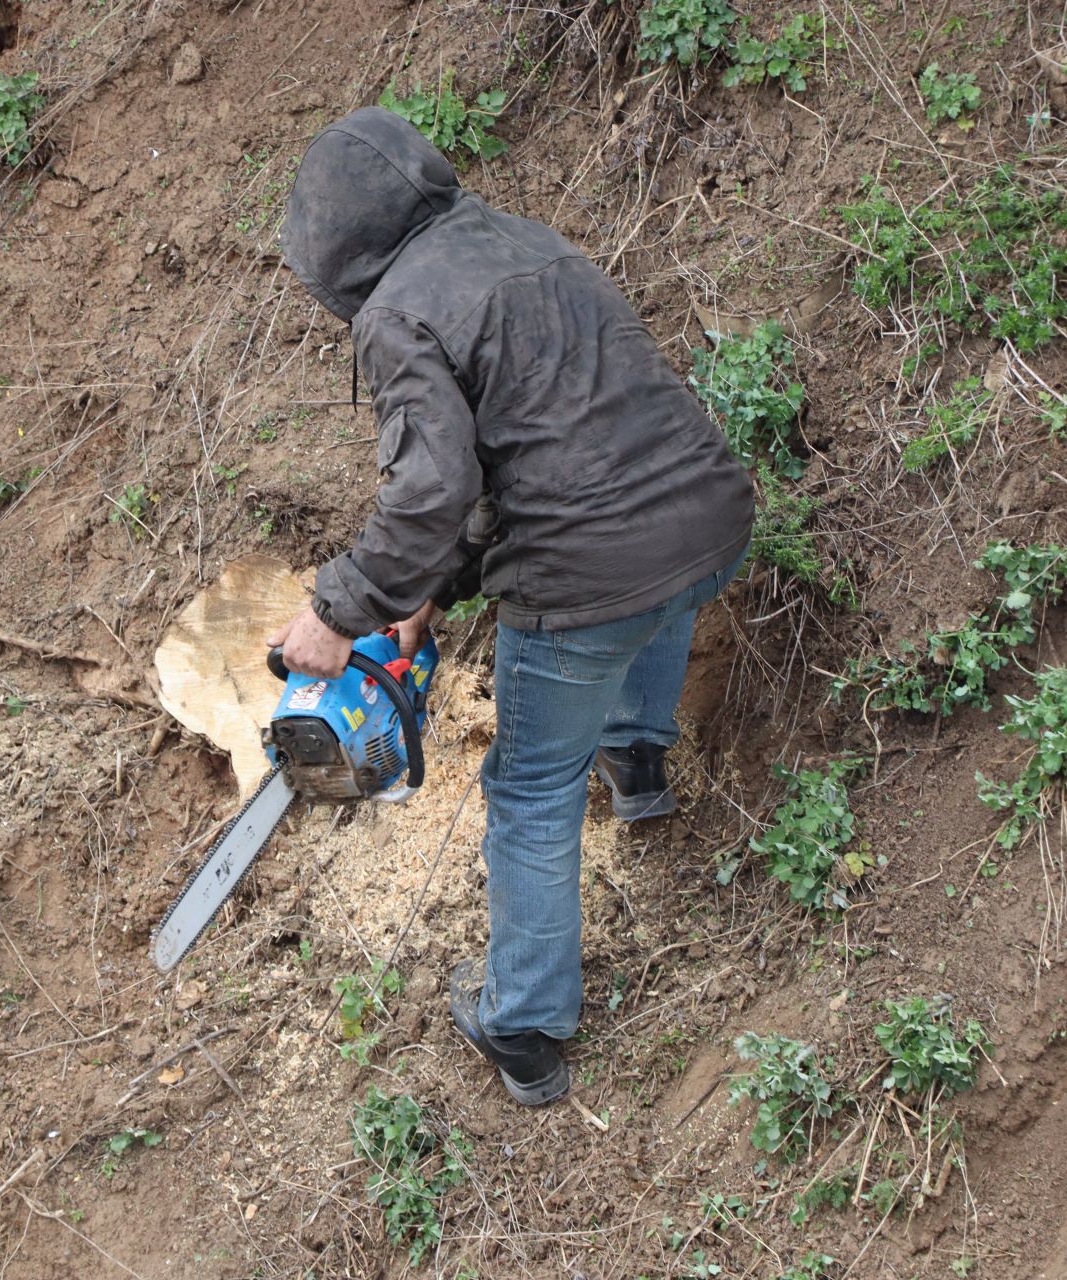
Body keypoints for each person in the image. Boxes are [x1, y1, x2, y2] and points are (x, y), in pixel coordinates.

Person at [264, 107, 754, 1107]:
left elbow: (429, 490)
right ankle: (640, 761)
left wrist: (341, 608)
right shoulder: (522, 242)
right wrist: (426, 592)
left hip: (587, 571)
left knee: (529, 790)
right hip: (707, 514)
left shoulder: (396, 312)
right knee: (654, 604)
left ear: (335, 251)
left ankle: (523, 1020)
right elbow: (540, 445)